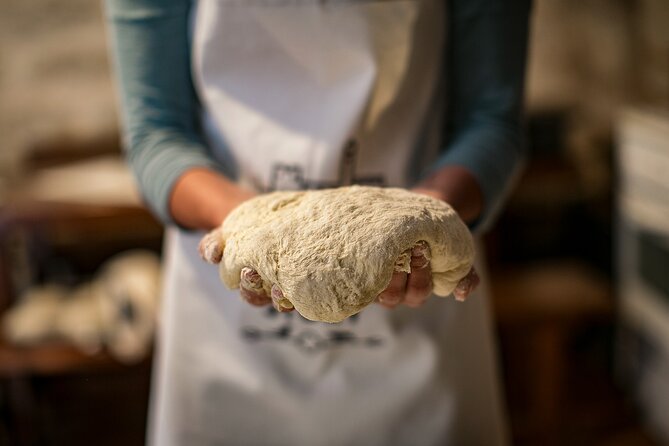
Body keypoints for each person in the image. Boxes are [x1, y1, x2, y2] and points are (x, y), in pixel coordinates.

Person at [105, 0, 531, 444]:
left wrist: (425, 215)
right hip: (227, 332)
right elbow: (155, 135)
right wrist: (243, 222)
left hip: (418, 329)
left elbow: (492, 120)